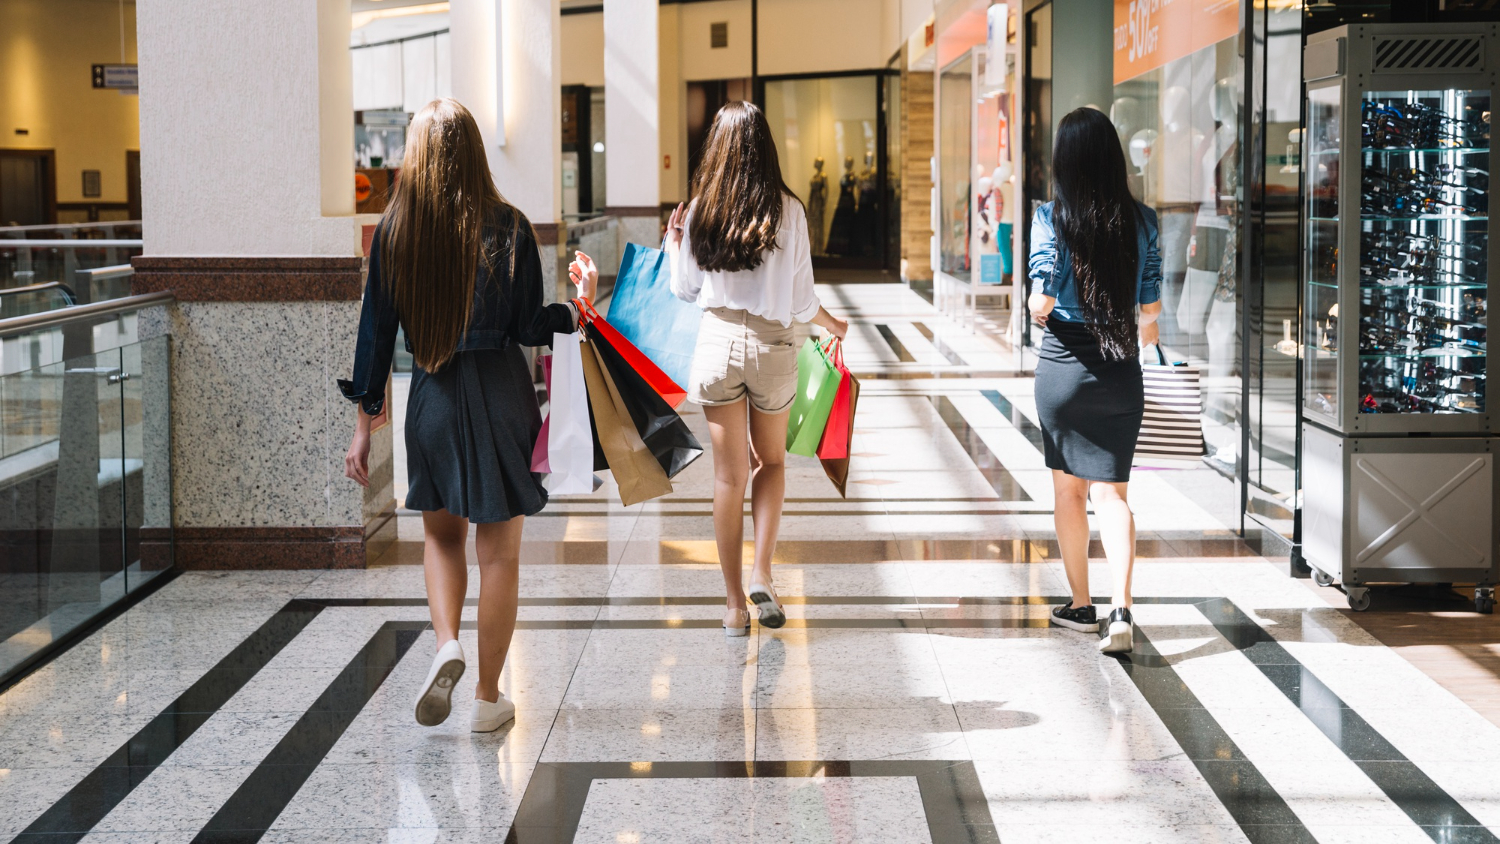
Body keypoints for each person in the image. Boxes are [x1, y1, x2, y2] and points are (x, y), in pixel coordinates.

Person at [340, 98, 598, 730]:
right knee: (500, 554)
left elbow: (375, 336)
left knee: (440, 537)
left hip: (431, 396)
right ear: (476, 152)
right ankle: (487, 698)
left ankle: (446, 643)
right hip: (502, 394)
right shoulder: (510, 227)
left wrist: (363, 427)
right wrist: (580, 305)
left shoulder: (396, 232)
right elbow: (530, 326)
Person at [666, 101, 848, 637]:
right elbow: (801, 302)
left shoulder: (700, 210)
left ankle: (732, 607)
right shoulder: (789, 210)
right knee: (771, 462)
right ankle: (762, 573)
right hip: (771, 347)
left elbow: (685, 289)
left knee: (729, 477)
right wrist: (835, 325)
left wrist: (675, 243)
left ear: (717, 149)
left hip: (717, 344)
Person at [1027, 106, 1163, 654]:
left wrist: (1055, 276)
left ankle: (1081, 605)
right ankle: (1121, 610)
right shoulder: (1143, 220)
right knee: (1113, 494)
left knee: (1068, 491)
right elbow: (1150, 312)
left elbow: (1041, 301)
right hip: (1120, 368)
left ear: (1064, 161)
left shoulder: (1050, 217)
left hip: (1063, 369)